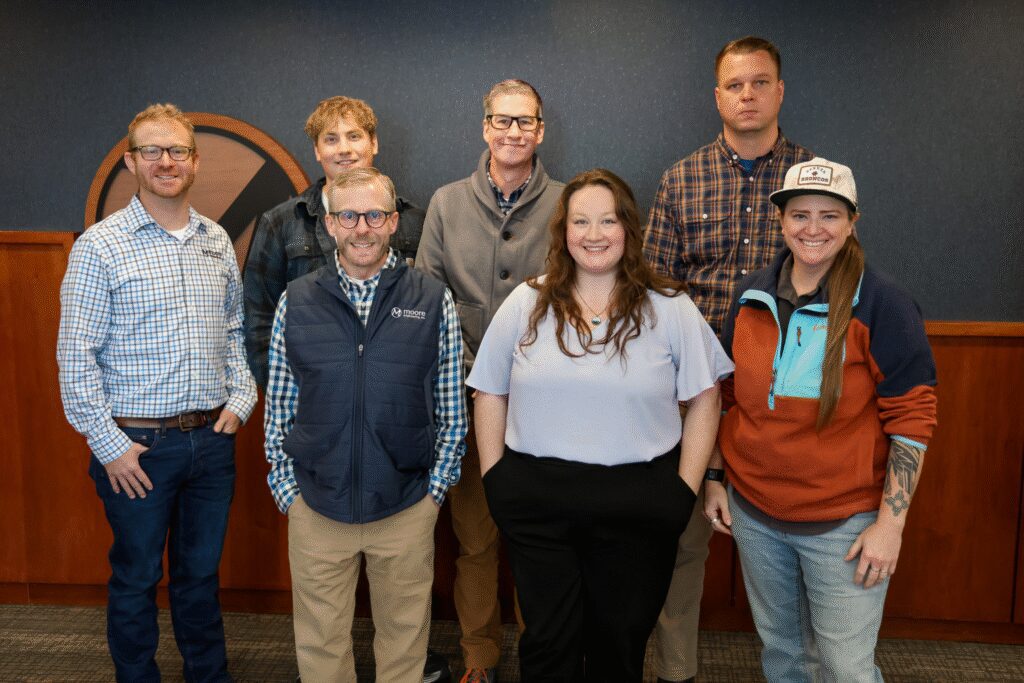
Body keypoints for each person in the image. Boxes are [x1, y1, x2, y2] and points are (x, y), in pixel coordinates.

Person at [467, 169, 733, 682]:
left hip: (639, 504)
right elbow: (489, 390)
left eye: (608, 221)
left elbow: (706, 397)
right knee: (547, 646)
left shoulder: (670, 308)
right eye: (581, 221)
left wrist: (684, 488)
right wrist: (495, 477)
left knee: (620, 647)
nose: (594, 234)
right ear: (563, 231)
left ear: (629, 230)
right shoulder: (526, 302)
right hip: (537, 500)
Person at [704, 158, 938, 682]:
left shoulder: (883, 304)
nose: (813, 228)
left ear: (852, 221)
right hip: (756, 513)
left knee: (845, 667)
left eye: (829, 215)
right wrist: (716, 478)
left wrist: (890, 526)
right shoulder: (750, 295)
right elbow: (728, 399)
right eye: (800, 214)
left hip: (844, 524)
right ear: (781, 221)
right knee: (784, 655)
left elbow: (912, 419)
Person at [57, 103, 257, 682]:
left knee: (199, 578)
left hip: (211, 443)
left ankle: (208, 675)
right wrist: (109, 446)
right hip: (136, 450)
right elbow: (75, 360)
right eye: (152, 150)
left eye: (177, 150)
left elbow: (235, 332)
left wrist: (241, 399)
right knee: (137, 577)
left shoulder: (215, 240)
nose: (166, 161)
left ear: (195, 161)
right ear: (130, 161)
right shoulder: (101, 246)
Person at [642, 36, 815, 683]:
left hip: (786, 404)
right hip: (694, 400)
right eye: (735, 84)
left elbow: (839, 288)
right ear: (718, 96)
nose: (748, 94)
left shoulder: (811, 179)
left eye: (760, 82)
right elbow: (656, 292)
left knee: (795, 556)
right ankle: (677, 674)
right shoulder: (681, 179)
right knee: (682, 550)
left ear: (779, 92)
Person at [263, 167, 467, 683]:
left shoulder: (430, 297)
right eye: (347, 215)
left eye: (374, 214)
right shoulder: (297, 300)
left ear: (393, 221)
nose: (362, 228)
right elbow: (281, 405)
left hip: (404, 504)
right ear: (329, 224)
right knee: (321, 646)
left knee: (403, 643)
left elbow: (449, 406)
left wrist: (435, 491)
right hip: (318, 504)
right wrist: (288, 489)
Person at [417, 78, 563, 683]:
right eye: (502, 121)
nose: (513, 132)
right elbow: (428, 297)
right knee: (474, 542)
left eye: (524, 122)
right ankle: (479, 655)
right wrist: (473, 377)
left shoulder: (568, 202)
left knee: (538, 542)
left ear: (540, 131)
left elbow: (578, 299)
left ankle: (541, 656)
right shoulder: (446, 203)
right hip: (468, 398)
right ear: (484, 127)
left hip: (545, 407)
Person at [243, 95, 426, 389]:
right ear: (317, 150)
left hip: (395, 396)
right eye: (330, 139)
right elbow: (258, 321)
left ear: (374, 143)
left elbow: (430, 314)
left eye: (354, 136)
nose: (344, 149)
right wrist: (295, 394)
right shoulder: (281, 223)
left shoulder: (414, 221)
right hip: (311, 400)